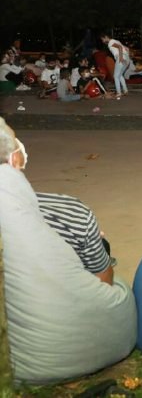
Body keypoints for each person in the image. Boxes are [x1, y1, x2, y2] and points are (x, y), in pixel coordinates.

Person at [1, 119, 115, 285]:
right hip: (49, 293)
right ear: (14, 160)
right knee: (119, 286)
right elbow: (104, 283)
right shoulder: (70, 213)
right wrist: (89, 238)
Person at [100, 33, 131, 98]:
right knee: (120, 75)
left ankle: (118, 93)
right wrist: (127, 59)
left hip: (120, 57)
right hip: (126, 58)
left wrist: (121, 57)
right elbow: (127, 49)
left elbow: (119, 47)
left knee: (115, 76)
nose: (102, 41)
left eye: (102, 39)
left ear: (106, 37)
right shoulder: (117, 41)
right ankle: (125, 90)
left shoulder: (110, 42)